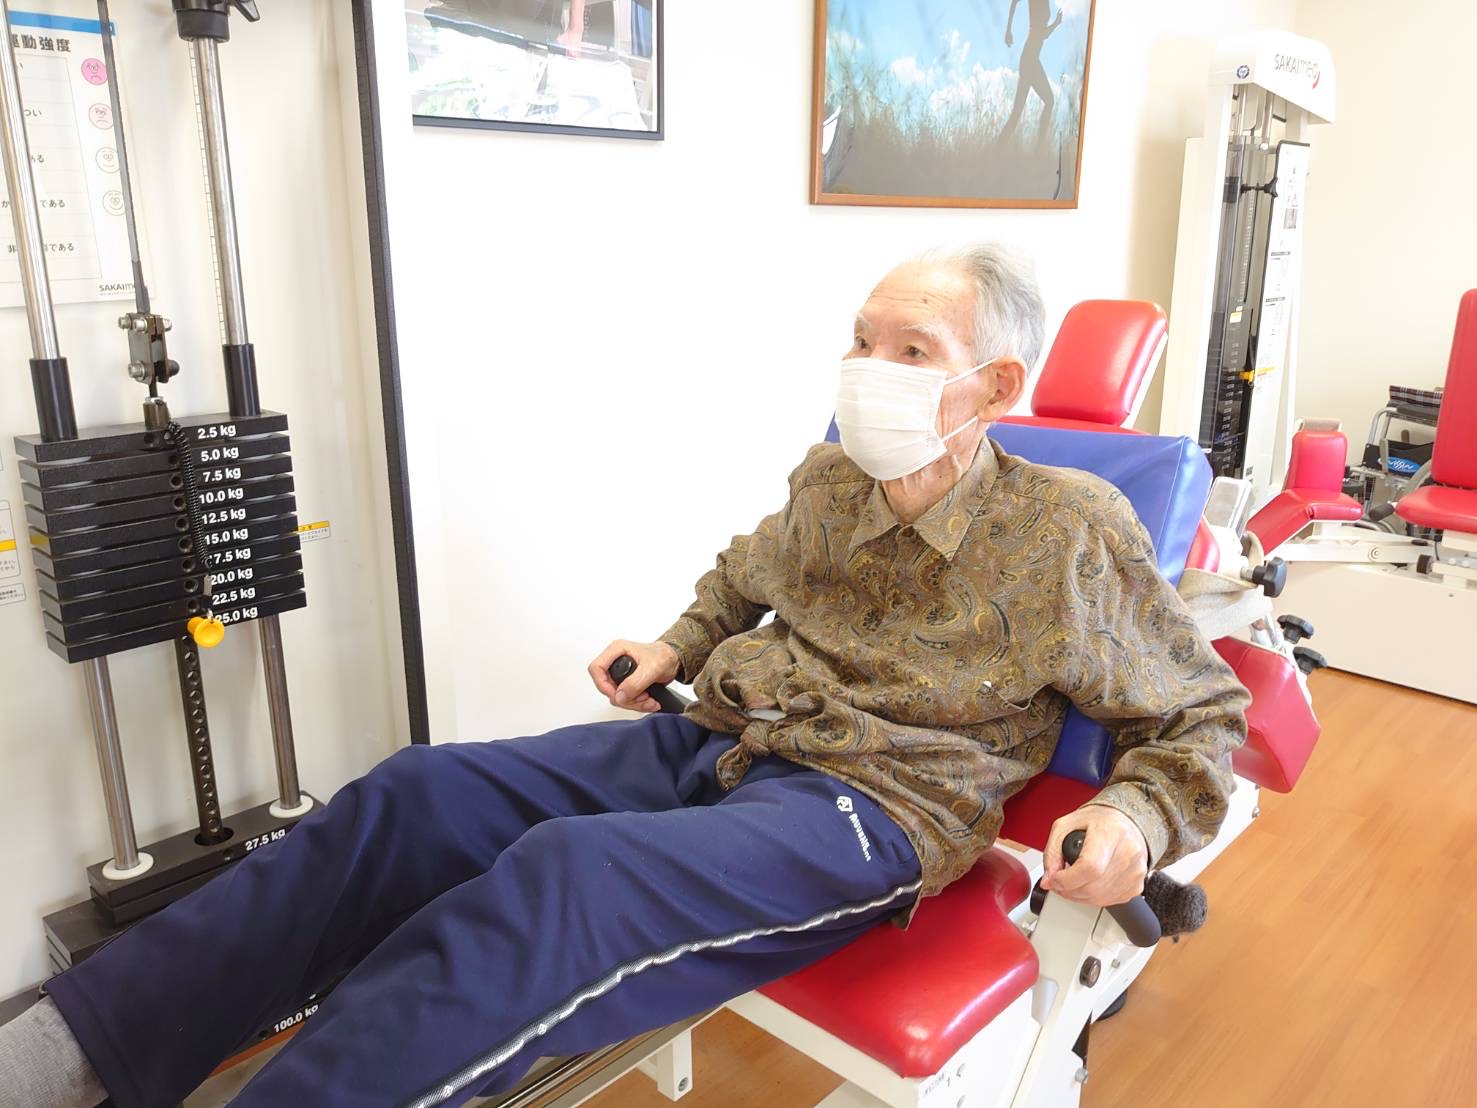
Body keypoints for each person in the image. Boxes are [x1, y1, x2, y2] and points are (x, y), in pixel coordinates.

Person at [0, 244, 1248, 1108]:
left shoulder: (1068, 528)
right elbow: (747, 572)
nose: (868, 368)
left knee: (565, 880)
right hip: (722, 738)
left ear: (995, 387)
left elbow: (1201, 709)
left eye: (909, 347)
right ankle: (76, 1046)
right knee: (416, 793)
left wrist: (1134, 820)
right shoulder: (832, 477)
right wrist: (679, 643)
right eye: (861, 339)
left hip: (871, 806)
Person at [1000, 0, 1064, 147]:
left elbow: (1042, 34)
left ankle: (998, 148)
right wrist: (1008, 30)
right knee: (1049, 101)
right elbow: (1014, 2)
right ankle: (1039, 149)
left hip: (1031, 59)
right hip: (1030, 59)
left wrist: (1055, 24)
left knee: (1017, 113)